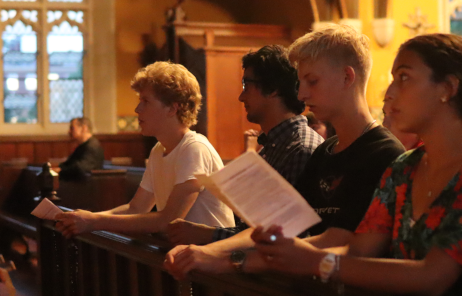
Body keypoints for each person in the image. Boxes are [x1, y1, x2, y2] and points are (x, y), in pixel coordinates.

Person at [249, 34, 462, 296]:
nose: (389, 92)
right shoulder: (405, 168)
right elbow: (359, 252)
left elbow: (433, 279)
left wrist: (316, 262)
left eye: (403, 77)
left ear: (447, 88)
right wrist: (283, 252)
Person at [164, 23, 405, 277]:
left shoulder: (382, 153)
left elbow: (333, 240)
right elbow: (284, 228)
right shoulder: (325, 152)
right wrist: (210, 250)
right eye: (300, 82)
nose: (301, 94)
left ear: (347, 77)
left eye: (312, 81)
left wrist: (225, 257)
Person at [166, 45, 324, 245]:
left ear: (273, 89)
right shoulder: (273, 146)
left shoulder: (300, 148)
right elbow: (253, 229)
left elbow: (283, 237)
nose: (241, 97)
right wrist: (207, 232)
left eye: (246, 86)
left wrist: (208, 235)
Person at [55, 61, 234, 237]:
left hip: (215, 257)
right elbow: (136, 208)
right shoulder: (159, 150)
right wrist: (88, 217)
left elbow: (168, 220)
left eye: (145, 101)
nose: (137, 108)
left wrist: (93, 222)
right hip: (185, 254)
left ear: (172, 108)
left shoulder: (194, 148)